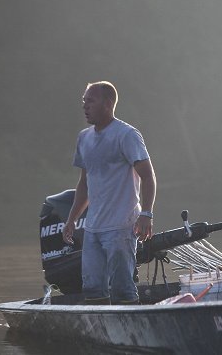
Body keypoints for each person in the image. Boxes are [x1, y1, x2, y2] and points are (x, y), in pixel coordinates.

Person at [62, 81, 157, 304]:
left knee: (123, 289)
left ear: (108, 104)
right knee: (93, 289)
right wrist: (71, 220)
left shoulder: (126, 135)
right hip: (93, 228)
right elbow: (84, 183)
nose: (85, 106)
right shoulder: (84, 138)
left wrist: (147, 213)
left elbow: (147, 175)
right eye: (83, 101)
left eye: (90, 101)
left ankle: (133, 329)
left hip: (121, 226)